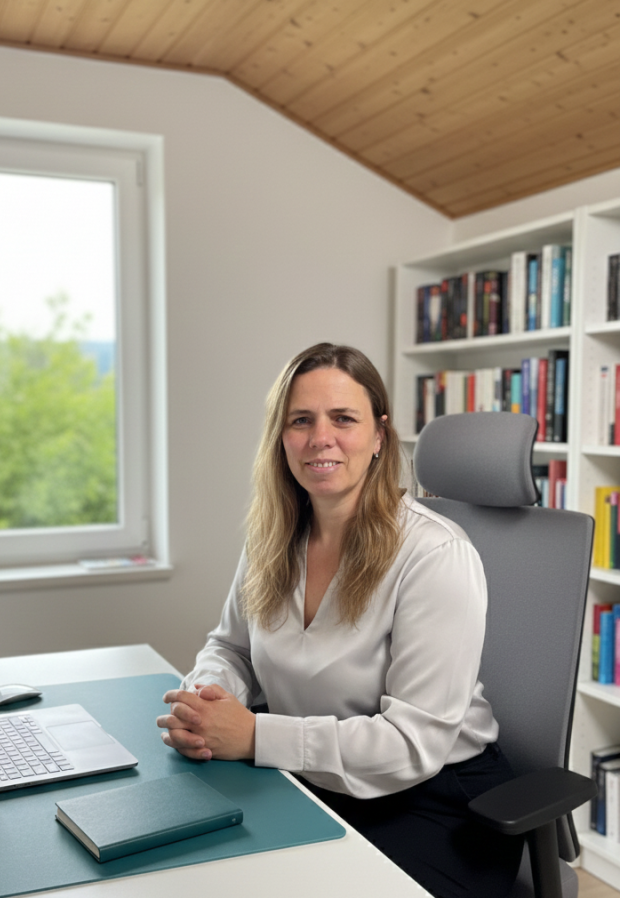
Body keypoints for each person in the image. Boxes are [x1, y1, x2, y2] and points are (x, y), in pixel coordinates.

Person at [156, 342, 524, 898]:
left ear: (379, 436)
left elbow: (411, 745)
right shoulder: (273, 538)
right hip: (310, 775)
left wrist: (254, 734)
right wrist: (206, 704)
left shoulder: (435, 554)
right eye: (300, 420)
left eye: (343, 419)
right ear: (281, 439)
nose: (319, 437)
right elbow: (231, 648)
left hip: (434, 797)